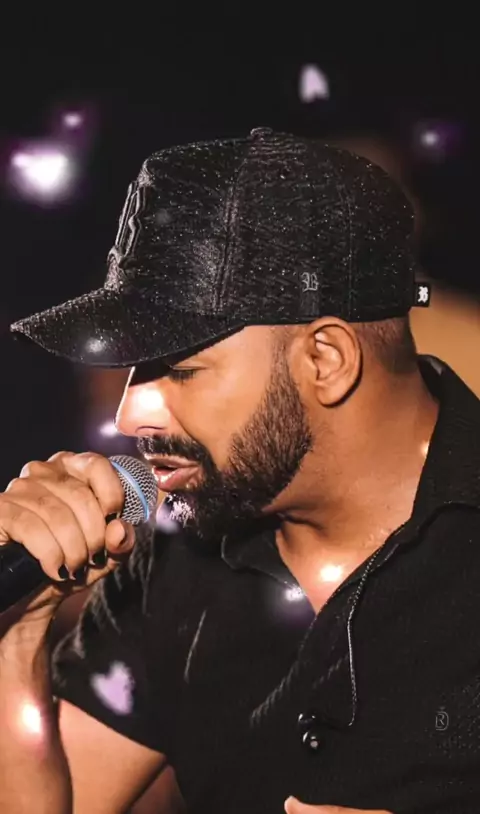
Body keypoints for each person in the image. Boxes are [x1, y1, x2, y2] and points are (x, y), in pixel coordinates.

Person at [0, 128, 478, 814]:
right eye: (134, 370)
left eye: (180, 369)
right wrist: (22, 630)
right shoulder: (175, 561)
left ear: (326, 361)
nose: (131, 412)